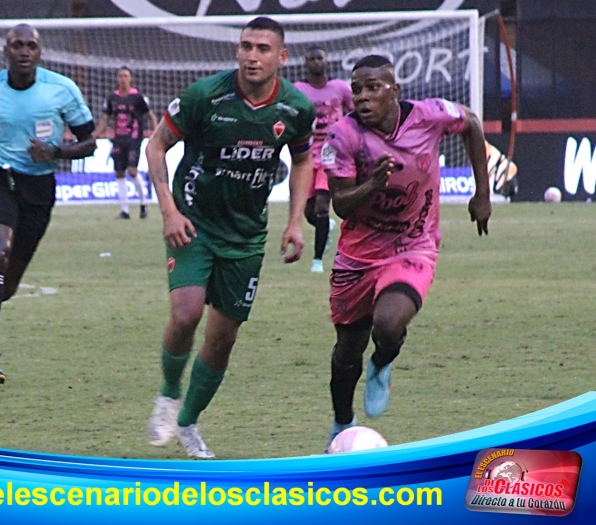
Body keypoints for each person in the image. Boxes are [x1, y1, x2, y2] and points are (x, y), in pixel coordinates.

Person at [144, 16, 315, 459]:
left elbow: (302, 162)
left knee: (223, 338)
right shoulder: (205, 96)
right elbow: (156, 145)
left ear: (282, 57)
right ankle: (168, 394)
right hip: (193, 222)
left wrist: (295, 222)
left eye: (262, 49)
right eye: (246, 46)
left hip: (246, 235)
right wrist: (169, 211)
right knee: (186, 314)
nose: (252, 56)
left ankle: (188, 422)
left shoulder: (296, 108)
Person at [321, 55, 492, 449]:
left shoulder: (429, 116)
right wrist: (372, 185)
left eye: (373, 88)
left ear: (394, 90)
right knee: (346, 351)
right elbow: (341, 205)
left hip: (414, 244)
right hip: (358, 255)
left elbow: (472, 123)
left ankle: (382, 361)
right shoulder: (342, 136)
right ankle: (342, 423)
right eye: (357, 89)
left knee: (388, 323)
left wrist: (481, 193)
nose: (362, 97)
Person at [0, 23, 96, 386]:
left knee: (7, 286)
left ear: (39, 51)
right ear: (5, 51)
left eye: (30, 45)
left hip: (39, 188)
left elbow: (90, 142)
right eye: (16, 45)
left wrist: (55, 151)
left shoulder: (62, 89)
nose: (23, 51)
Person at [294, 47, 354, 273]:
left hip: (331, 153)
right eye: (312, 59)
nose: (316, 62)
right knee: (309, 211)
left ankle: (317, 261)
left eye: (319, 58)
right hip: (306, 155)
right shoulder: (298, 90)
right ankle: (325, 227)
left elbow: (355, 112)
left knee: (322, 205)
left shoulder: (340, 88)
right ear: (305, 64)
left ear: (326, 61)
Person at [93, 66, 158, 219]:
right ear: (117, 79)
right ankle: (125, 210)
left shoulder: (138, 97)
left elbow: (151, 116)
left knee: (132, 170)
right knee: (119, 173)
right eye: (120, 76)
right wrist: (95, 135)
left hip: (134, 139)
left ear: (130, 78)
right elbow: (105, 119)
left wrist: (156, 133)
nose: (123, 79)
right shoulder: (112, 98)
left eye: (125, 76)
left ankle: (144, 204)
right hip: (118, 139)